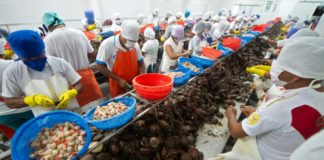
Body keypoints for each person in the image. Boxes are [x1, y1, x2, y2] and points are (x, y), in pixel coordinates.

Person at [214, 37, 324, 160]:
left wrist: (231, 115)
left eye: (281, 68)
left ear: (296, 76)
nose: (275, 70)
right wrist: (260, 115)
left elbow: (236, 132)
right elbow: (287, 122)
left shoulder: (282, 106)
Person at [2, 30, 83, 116]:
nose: (35, 60)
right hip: (45, 119)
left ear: (43, 50)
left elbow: (79, 84)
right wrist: (31, 100)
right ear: (20, 56)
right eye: (29, 59)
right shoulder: (13, 72)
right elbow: (9, 102)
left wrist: (72, 92)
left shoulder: (60, 63)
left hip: (72, 112)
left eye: (39, 56)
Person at [42, 12, 102, 107]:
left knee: (79, 112)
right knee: (96, 109)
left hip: (70, 82)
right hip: (87, 77)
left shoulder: (48, 40)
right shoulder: (79, 33)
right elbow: (92, 55)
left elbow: (51, 64)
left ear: (48, 26)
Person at [96, 21, 145, 98]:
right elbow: (99, 66)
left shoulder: (135, 45)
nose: (131, 44)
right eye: (129, 41)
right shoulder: (108, 44)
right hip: (117, 83)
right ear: (122, 35)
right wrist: (119, 80)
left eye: (134, 41)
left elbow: (141, 63)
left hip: (134, 84)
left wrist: (141, 77)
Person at [0, 42, 33, 132]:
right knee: (42, 130)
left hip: (3, 114)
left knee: (26, 134)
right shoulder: (12, 64)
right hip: (25, 106)